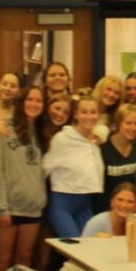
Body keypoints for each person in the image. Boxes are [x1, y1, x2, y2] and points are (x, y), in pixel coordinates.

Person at [0, 83, 46, 271]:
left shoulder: (40, 133)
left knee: (25, 262)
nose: (34, 104)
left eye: (39, 100)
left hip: (32, 208)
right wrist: (0, 208)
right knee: (2, 262)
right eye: (30, 99)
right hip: (6, 209)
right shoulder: (0, 129)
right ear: (20, 102)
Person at [44, 95, 106, 240]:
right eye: (84, 112)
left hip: (85, 202)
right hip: (62, 203)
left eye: (93, 112)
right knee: (73, 244)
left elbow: (104, 130)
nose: (88, 116)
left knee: (89, 246)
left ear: (98, 115)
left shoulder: (96, 139)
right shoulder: (62, 139)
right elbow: (45, 168)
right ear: (76, 114)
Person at [98, 102, 136, 205]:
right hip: (103, 207)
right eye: (128, 123)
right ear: (118, 124)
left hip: (127, 207)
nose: (133, 128)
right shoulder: (103, 148)